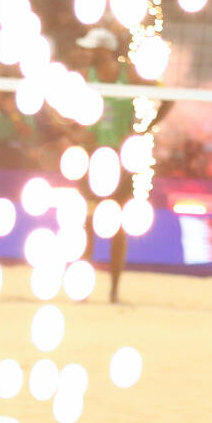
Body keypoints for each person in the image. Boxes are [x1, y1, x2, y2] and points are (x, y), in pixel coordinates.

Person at [74, 28, 137, 303]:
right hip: (92, 157)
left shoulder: (129, 76)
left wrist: (144, 128)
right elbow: (58, 107)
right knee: (87, 224)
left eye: (91, 48)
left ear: (104, 50)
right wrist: (72, 132)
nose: (86, 53)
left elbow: (168, 95)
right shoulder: (83, 77)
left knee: (118, 227)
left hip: (119, 160)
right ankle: (85, 289)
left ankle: (113, 290)